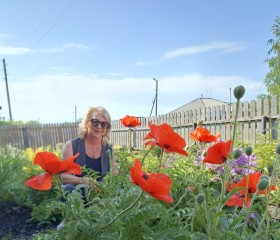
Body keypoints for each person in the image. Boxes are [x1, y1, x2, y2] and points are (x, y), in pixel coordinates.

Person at [57, 106, 118, 230]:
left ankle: (104, 224)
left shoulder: (110, 150)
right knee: (67, 188)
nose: (99, 127)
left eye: (104, 124)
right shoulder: (72, 146)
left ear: (107, 128)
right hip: (77, 193)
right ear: (87, 122)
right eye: (95, 122)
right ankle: (69, 222)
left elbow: (115, 177)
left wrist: (104, 186)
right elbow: (63, 177)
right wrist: (83, 180)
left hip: (100, 194)